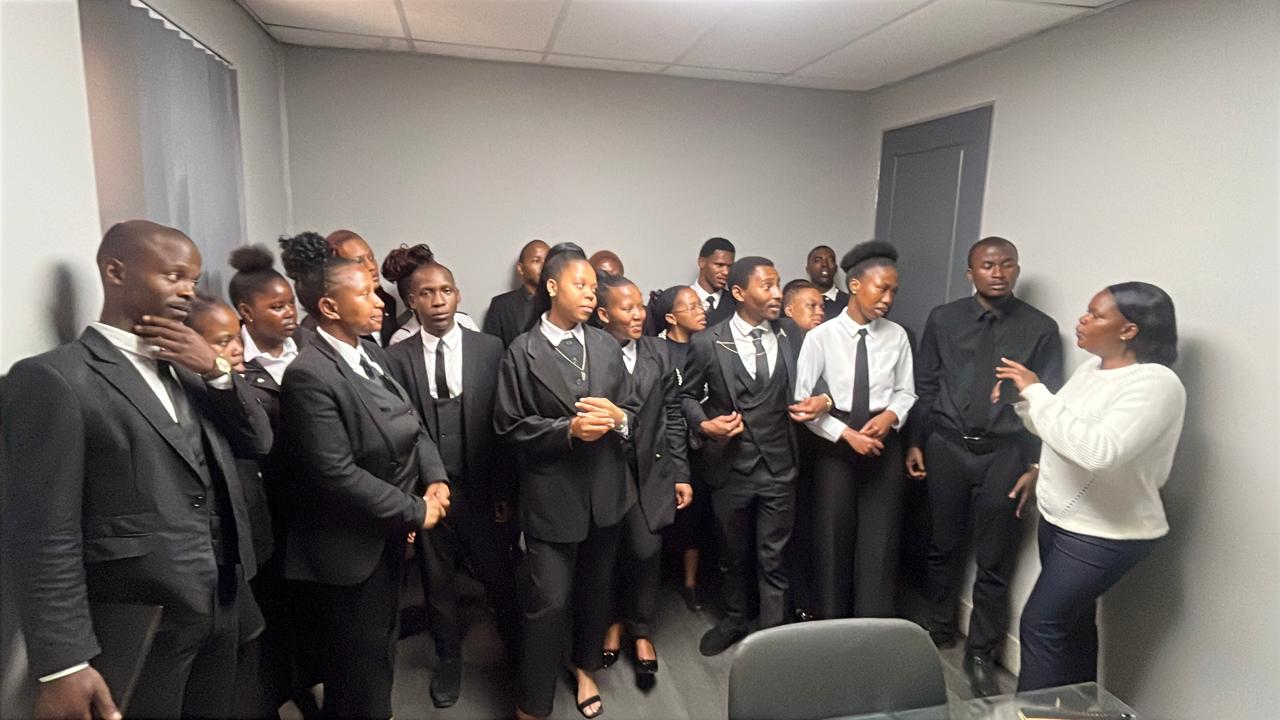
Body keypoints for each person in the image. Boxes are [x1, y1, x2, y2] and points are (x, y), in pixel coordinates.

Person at [3, 220, 271, 719]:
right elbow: (42, 532)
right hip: (139, 621)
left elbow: (259, 440)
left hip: (223, 606)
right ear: (116, 272)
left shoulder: (189, 365)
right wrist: (63, 663)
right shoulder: (53, 379)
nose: (188, 291)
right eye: (173, 276)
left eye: (193, 280)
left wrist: (215, 370)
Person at [277, 232, 450, 719]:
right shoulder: (310, 374)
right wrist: (416, 509)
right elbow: (334, 474)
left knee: (376, 657)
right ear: (329, 307)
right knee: (356, 669)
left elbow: (412, 423)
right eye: (365, 293)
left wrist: (434, 478)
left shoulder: (368, 353)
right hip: (346, 551)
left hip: (382, 536)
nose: (379, 301)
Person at [999, 283, 1185, 692]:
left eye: (1096, 314)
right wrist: (1024, 401)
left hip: (1105, 533)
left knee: (1041, 624)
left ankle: (1031, 716)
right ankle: (1077, 712)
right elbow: (1060, 431)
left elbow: (1097, 452)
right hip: (1061, 521)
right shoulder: (1090, 370)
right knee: (1072, 625)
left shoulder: (1156, 384)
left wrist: (1037, 391)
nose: (1082, 320)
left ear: (1129, 330)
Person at [907, 236, 1064, 697]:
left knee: (995, 558)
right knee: (942, 544)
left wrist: (1036, 464)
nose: (998, 273)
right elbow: (926, 384)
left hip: (1005, 454)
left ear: (1017, 270)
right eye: (988, 265)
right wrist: (916, 442)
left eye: (1007, 264)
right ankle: (939, 626)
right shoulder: (944, 318)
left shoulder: (1041, 328)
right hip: (947, 446)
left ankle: (981, 652)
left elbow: (1048, 399)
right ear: (970, 273)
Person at [493, 243, 635, 720]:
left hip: (606, 495)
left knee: (595, 595)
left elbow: (633, 411)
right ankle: (532, 701)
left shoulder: (607, 345)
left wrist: (619, 419)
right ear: (553, 287)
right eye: (581, 285)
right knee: (549, 602)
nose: (592, 294)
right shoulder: (521, 351)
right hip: (551, 498)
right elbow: (508, 426)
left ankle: (583, 666)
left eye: (595, 287)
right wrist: (567, 430)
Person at [382, 245, 521, 709]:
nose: (438, 300)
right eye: (426, 293)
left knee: (499, 573)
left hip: (481, 486)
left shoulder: (489, 349)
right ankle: (448, 658)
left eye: (445, 290)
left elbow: (503, 425)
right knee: (436, 582)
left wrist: (504, 491)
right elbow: (400, 432)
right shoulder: (396, 358)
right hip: (429, 493)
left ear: (458, 295)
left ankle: (517, 648)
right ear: (412, 301)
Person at [680, 257, 830, 657]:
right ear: (739, 292)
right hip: (730, 467)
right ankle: (734, 620)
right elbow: (686, 396)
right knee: (731, 555)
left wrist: (824, 399)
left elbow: (821, 379)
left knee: (773, 554)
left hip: (780, 465)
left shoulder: (792, 334)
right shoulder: (707, 342)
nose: (778, 293)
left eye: (778, 284)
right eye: (767, 286)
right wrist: (704, 424)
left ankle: (773, 635)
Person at [794, 241, 916, 620]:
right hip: (836, 444)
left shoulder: (897, 336)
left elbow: (907, 391)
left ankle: (871, 623)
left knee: (880, 542)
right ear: (855, 285)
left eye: (894, 291)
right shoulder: (821, 337)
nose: (888, 299)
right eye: (882, 289)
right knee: (832, 538)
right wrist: (847, 435)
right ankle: (831, 622)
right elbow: (802, 401)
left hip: (883, 444)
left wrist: (891, 416)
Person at [225, 244, 317, 717]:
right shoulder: (235, 362)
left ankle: (306, 682)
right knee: (273, 608)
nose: (289, 314)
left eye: (291, 304)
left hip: (314, 502)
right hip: (266, 506)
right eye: (277, 306)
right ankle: (276, 691)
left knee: (310, 608)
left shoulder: (308, 346)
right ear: (247, 312)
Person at [595, 275, 693, 681]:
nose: (638, 315)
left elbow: (673, 414)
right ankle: (612, 622)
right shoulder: (590, 352)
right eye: (626, 308)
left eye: (640, 306)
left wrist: (680, 472)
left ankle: (641, 629)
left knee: (646, 549)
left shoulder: (659, 351)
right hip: (605, 470)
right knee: (606, 552)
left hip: (651, 469)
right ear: (604, 314)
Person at [649, 286, 711, 611]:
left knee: (696, 517)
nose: (701, 311)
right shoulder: (656, 350)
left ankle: (691, 583)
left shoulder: (708, 345)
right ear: (671, 318)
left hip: (704, 444)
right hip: (667, 443)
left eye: (700, 305)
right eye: (692, 307)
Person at [325, 229, 400, 347]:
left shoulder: (387, 302)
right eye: (358, 261)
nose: (371, 266)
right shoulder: (327, 320)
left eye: (371, 258)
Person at [484, 239, 550, 347]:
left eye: (547, 260)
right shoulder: (501, 305)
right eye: (536, 261)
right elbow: (492, 349)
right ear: (520, 268)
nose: (544, 266)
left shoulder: (561, 302)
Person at [690, 237, 737, 326]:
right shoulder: (678, 300)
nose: (726, 272)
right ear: (701, 262)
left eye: (730, 266)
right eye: (719, 265)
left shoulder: (737, 304)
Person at [806, 245, 848, 320]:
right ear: (808, 269)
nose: (825, 264)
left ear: (836, 268)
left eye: (830, 260)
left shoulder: (850, 303)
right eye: (818, 260)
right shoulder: (799, 303)